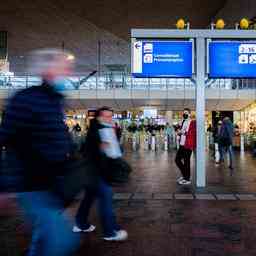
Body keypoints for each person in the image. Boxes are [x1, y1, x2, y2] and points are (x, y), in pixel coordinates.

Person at [0, 49, 80, 256]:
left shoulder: (55, 100)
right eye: (65, 68)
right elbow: (7, 137)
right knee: (62, 241)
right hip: (33, 184)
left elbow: (58, 139)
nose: (69, 73)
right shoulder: (26, 99)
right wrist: (4, 187)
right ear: (49, 70)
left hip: (53, 184)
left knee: (43, 237)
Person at [73, 107, 128, 241]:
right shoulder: (96, 131)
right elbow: (87, 150)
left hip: (96, 172)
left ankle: (80, 223)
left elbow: (114, 150)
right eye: (106, 116)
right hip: (96, 172)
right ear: (98, 117)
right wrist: (99, 148)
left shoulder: (108, 129)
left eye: (111, 116)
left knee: (89, 197)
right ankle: (110, 232)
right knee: (106, 198)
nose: (109, 119)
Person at [175, 108, 196, 185]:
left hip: (188, 145)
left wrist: (182, 132)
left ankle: (187, 179)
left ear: (189, 114)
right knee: (177, 160)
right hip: (182, 144)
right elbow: (181, 131)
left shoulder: (191, 122)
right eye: (183, 113)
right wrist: (179, 132)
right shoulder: (183, 121)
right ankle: (185, 175)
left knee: (187, 161)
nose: (184, 114)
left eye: (186, 113)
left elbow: (191, 133)